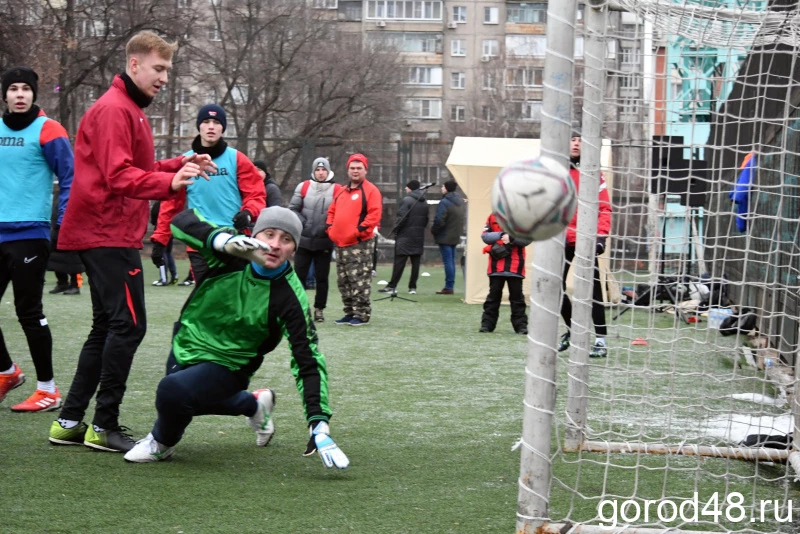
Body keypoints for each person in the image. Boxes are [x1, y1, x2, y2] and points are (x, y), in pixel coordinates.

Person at [50, 31, 216, 453]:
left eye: (168, 70)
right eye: (159, 68)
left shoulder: (128, 109)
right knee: (128, 326)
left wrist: (180, 163)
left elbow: (138, 165)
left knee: (107, 326)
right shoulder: (115, 109)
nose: (164, 78)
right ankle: (103, 425)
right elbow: (118, 176)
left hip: (107, 231)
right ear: (134, 64)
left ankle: (69, 421)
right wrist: (168, 182)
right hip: (107, 233)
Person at [123, 207, 349, 470]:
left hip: (231, 365)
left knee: (172, 391)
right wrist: (222, 241)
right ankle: (254, 404)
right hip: (187, 341)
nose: (276, 244)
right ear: (255, 235)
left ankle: (161, 444)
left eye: (286, 239)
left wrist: (318, 421)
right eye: (269, 234)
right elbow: (181, 221)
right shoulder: (231, 252)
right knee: (181, 402)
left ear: (293, 250)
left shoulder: (290, 296)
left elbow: (307, 360)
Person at [0, 66, 74, 412]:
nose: (19, 94)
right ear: (5, 94)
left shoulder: (49, 129)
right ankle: (8, 372)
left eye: (25, 89)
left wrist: (63, 223)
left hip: (30, 234)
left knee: (28, 312)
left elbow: (70, 177)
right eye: (13, 88)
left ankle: (48, 389)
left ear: (34, 93)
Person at [151, 104, 265, 285]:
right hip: (200, 243)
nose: (211, 126)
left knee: (233, 295)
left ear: (223, 128)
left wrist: (248, 212)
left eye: (216, 122)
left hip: (234, 240)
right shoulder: (186, 161)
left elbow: (256, 194)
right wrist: (160, 240)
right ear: (199, 126)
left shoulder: (237, 159)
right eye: (206, 121)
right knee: (206, 295)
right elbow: (171, 205)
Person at [558, 134, 613, 358]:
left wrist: (600, 237)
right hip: (560, 240)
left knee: (593, 290)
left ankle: (600, 340)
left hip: (586, 239)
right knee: (554, 287)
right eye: (572, 139)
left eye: (580, 140)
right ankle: (573, 331)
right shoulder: (554, 172)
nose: (576, 143)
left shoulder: (593, 173)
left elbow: (605, 207)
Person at [326, 153, 382, 326]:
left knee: (359, 280)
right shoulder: (341, 191)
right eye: (352, 168)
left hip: (359, 244)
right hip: (340, 244)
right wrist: (330, 230)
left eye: (359, 168)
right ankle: (349, 312)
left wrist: (357, 232)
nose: (355, 171)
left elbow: (373, 216)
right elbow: (331, 212)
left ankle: (361, 314)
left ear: (365, 170)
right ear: (348, 170)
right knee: (344, 281)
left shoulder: (371, 191)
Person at [288, 157, 340, 322]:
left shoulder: (337, 189)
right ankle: (299, 308)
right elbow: (293, 209)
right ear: (313, 171)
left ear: (328, 171)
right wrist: (304, 223)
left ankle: (319, 309)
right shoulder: (303, 187)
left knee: (322, 278)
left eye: (323, 169)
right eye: (318, 170)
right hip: (303, 241)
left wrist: (328, 227)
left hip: (324, 241)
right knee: (299, 277)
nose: (320, 173)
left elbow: (340, 212)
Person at [479, 213, 531, 335]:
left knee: (517, 298)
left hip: (516, 266)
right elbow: (485, 236)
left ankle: (521, 326)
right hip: (496, 266)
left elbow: (527, 239)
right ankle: (487, 325)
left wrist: (511, 238)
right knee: (493, 297)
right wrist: (501, 235)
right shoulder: (492, 216)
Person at [378, 180, 429, 295]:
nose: (405, 189)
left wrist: (396, 230)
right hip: (418, 236)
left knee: (399, 262)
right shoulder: (424, 202)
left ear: (410, 188)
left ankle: (392, 285)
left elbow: (401, 218)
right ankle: (412, 287)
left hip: (405, 236)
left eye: (407, 187)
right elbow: (426, 220)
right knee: (415, 263)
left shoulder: (407, 200)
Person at [431, 180, 465, 295]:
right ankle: (450, 285)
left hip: (445, 235)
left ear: (446, 188)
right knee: (451, 261)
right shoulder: (460, 202)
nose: (441, 188)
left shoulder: (444, 202)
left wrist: (434, 231)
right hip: (455, 235)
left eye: (443, 186)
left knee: (448, 261)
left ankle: (449, 286)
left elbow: (439, 220)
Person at [48, 192, 84, 296]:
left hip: (74, 231)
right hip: (58, 229)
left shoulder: (77, 193)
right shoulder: (60, 195)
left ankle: (75, 285)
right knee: (55, 259)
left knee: (75, 261)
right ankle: (62, 283)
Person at [149, 201, 177, 286]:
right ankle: (174, 276)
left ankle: (163, 279)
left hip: (161, 231)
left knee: (161, 254)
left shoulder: (159, 204)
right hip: (171, 230)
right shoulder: (172, 203)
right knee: (168, 253)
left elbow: (153, 218)